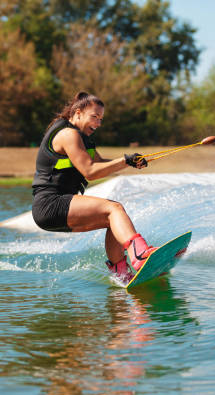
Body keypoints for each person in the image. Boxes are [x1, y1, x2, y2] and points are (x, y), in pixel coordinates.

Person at [32, 91, 157, 284]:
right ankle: (140, 254)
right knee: (114, 209)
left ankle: (122, 274)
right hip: (51, 204)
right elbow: (90, 171)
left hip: (57, 207)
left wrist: (129, 162)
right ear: (78, 113)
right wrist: (124, 161)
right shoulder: (68, 134)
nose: (98, 123)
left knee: (113, 221)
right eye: (94, 117)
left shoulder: (82, 138)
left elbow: (99, 163)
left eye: (101, 119)